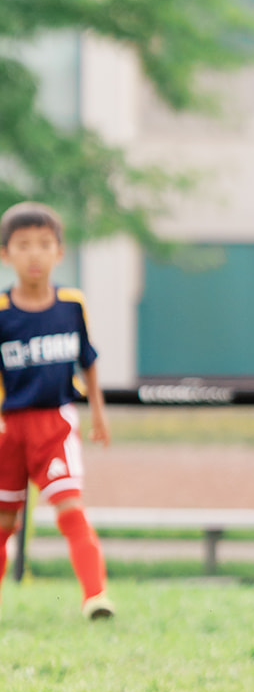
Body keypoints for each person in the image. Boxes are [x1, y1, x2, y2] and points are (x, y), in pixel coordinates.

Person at [0, 202, 113, 620]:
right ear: (5, 254)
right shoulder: (2, 312)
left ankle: (95, 597)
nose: (34, 254)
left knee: (70, 508)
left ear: (59, 252)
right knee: (4, 523)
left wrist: (98, 414)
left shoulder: (70, 304)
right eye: (23, 245)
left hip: (56, 425)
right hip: (9, 428)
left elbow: (89, 360)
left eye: (44, 244)